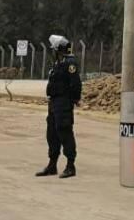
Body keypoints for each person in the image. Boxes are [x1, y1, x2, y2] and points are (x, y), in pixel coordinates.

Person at [37, 34, 82, 178]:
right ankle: (52, 164)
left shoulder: (70, 63)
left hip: (63, 101)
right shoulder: (58, 63)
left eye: (54, 49)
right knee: (52, 132)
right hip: (54, 101)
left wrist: (75, 98)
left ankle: (70, 165)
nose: (52, 52)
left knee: (64, 131)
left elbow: (75, 83)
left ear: (59, 49)